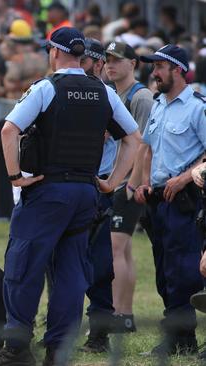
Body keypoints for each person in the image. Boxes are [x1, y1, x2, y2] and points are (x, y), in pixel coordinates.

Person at [0, 27, 140, 365]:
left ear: (55, 52)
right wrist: (111, 181)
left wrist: (15, 176)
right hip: (85, 193)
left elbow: (8, 129)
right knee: (72, 272)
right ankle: (59, 349)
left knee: (24, 265)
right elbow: (133, 138)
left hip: (47, 191)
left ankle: (15, 347)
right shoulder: (104, 91)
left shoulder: (47, 87)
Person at [132, 45, 206, 356]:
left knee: (183, 271)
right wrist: (144, 182)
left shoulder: (198, 108)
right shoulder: (159, 104)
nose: (154, 72)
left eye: (160, 66)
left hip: (186, 198)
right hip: (159, 199)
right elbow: (148, 147)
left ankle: (182, 337)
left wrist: (185, 178)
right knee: (164, 271)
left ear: (178, 69)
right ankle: (179, 338)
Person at [104, 41, 154, 334]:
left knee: (116, 248)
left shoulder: (141, 97)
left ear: (133, 64)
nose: (111, 65)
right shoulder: (113, 94)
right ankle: (124, 314)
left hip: (128, 184)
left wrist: (132, 183)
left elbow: (144, 145)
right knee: (122, 251)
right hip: (117, 181)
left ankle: (120, 314)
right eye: (108, 60)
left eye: (117, 60)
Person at [76, 38, 119, 354]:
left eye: (84, 60)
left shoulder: (108, 97)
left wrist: (114, 182)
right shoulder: (64, 90)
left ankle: (100, 333)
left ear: (99, 63)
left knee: (100, 266)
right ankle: (61, 329)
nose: (78, 65)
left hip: (98, 190)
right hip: (67, 187)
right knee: (63, 264)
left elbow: (133, 141)